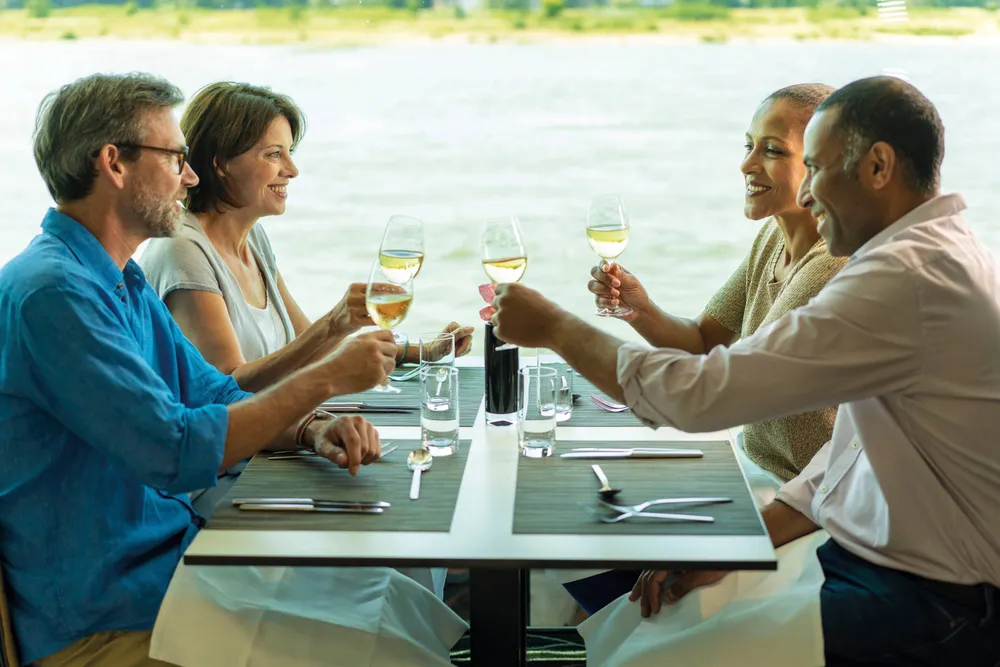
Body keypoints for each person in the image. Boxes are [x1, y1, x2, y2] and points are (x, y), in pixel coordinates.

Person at [493, 76, 1000, 665]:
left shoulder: (902, 279)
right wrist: (749, 537)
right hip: (873, 556)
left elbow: (701, 396)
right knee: (641, 625)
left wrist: (556, 328)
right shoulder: (933, 252)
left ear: (878, 167)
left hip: (939, 597)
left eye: (816, 168)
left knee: (649, 654)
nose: (807, 192)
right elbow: (850, 448)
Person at [0, 73, 465, 667]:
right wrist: (325, 379)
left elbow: (214, 391)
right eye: (176, 158)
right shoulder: (54, 294)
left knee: (395, 602)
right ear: (113, 164)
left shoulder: (120, 279)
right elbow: (176, 450)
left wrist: (311, 429)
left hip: (168, 566)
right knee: (392, 648)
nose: (190, 177)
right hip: (107, 616)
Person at [563, 82, 847, 615]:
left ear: (823, 166)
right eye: (748, 145)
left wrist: (560, 332)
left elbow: (721, 387)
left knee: (619, 544)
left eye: (772, 150)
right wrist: (639, 309)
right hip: (753, 470)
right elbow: (700, 342)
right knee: (588, 515)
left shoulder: (833, 266)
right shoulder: (773, 239)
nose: (747, 165)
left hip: (804, 504)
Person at [139, 81, 472, 515]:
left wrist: (418, 350)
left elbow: (305, 345)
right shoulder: (183, 250)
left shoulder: (252, 239)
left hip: (271, 453)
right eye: (273, 154)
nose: (292, 170)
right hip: (222, 481)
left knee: (408, 494)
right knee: (398, 505)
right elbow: (228, 392)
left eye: (289, 152)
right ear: (221, 163)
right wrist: (334, 326)